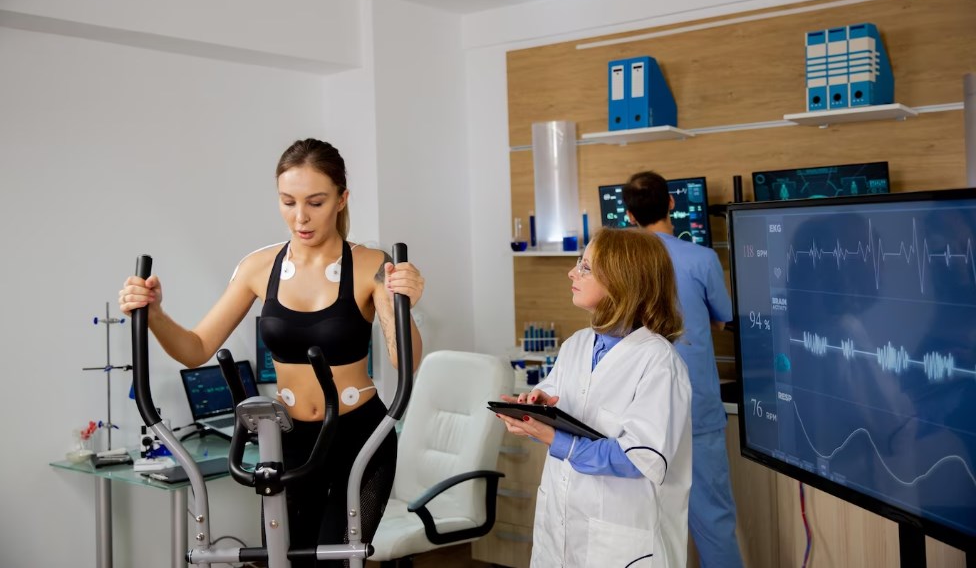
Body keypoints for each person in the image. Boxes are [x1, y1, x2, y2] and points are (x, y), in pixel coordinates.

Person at [118, 138, 424, 567]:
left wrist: (404, 303)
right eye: (288, 202)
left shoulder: (373, 265)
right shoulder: (258, 268)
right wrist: (154, 314)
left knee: (337, 561)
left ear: (341, 199)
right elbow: (195, 348)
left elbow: (405, 358)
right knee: (283, 561)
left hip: (360, 438)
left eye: (315, 202)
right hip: (287, 440)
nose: (300, 217)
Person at [497, 227, 692, 568]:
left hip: (622, 542)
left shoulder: (659, 362)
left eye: (586, 267)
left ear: (623, 279)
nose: (573, 273)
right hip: (561, 528)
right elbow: (563, 400)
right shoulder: (577, 344)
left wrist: (558, 440)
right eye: (578, 263)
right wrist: (535, 409)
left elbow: (640, 458)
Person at [622, 170, 744, 568]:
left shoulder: (620, 265)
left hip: (638, 411)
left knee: (646, 524)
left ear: (628, 215)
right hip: (696, 410)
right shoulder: (702, 258)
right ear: (672, 203)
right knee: (713, 520)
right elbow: (723, 317)